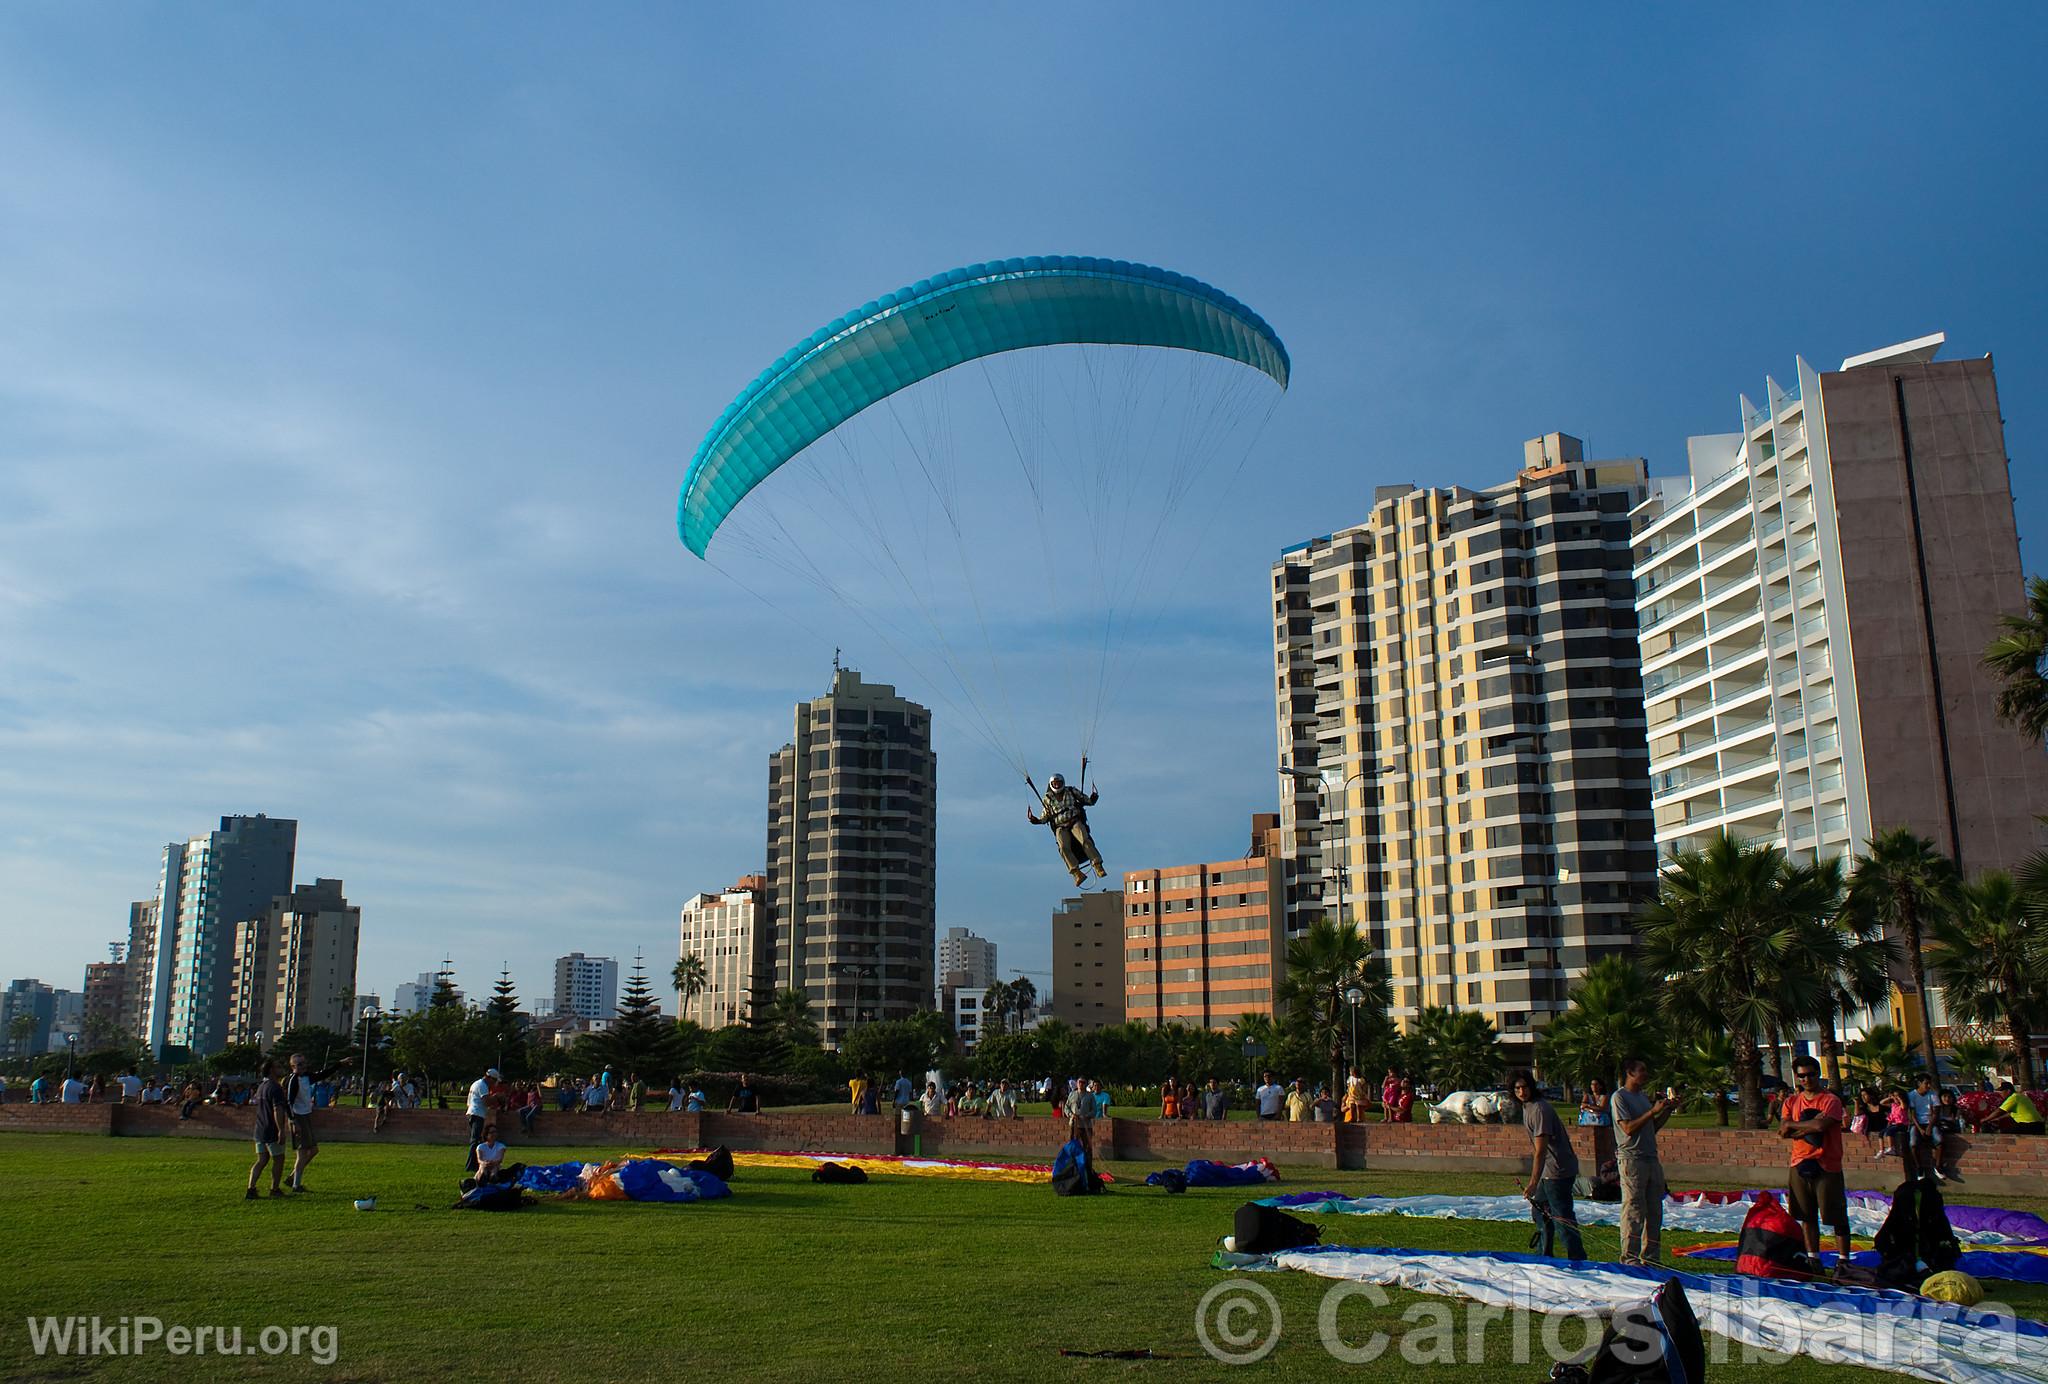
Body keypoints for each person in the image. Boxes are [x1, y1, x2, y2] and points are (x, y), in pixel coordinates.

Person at [1780, 1055, 1851, 1267]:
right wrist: (1807, 1125)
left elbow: (1822, 1127)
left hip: (1827, 1164)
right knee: (1806, 1215)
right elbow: (1783, 1131)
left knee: (1836, 1215)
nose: (1806, 1079)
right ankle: (1813, 1258)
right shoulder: (1791, 1101)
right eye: (1801, 1076)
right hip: (1799, 1162)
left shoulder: (1831, 1101)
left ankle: (1843, 1261)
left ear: (1818, 1074)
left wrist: (1796, 1127)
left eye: (1811, 1074)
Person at [1612, 1058, 1679, 1267]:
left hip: (1651, 1158)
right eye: (1642, 1070)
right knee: (1634, 1210)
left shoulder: (1641, 1097)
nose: (1646, 1074)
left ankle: (1651, 1258)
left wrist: (1666, 1110)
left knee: (1654, 1210)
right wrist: (1652, 1111)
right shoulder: (1619, 1097)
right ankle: (1629, 1257)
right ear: (1630, 1072)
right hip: (1631, 1159)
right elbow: (1628, 1129)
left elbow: (1651, 1128)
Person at [1512, 1070, 1584, 1260]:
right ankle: (1544, 1255)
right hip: (1547, 1172)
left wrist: (1533, 1182)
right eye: (1517, 1088)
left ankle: (1577, 1260)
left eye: (1524, 1087)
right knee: (1539, 1211)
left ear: (1531, 1087)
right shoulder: (1527, 1107)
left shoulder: (1539, 1109)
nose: (1521, 1091)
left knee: (1562, 1218)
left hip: (1557, 1171)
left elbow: (1541, 1150)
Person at [1027, 772, 1107, 887]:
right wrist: (1037, 821)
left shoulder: (1071, 791)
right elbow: (1045, 817)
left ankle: (1097, 865)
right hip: (1060, 826)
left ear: (1063, 783)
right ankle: (1076, 872)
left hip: (1074, 821)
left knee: (1085, 839)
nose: (1057, 786)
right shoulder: (1047, 799)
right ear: (1051, 784)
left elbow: (1087, 801)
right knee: (1063, 847)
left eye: (1059, 783)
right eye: (1054, 784)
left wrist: (1093, 799)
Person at [283, 1053, 336, 1192]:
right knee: (302, 1152)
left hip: (306, 1115)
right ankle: (296, 1184)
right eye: (299, 1064)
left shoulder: (307, 1077)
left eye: (303, 1063)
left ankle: (293, 1177)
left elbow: (323, 1074)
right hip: (298, 1117)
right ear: (293, 1066)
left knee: (313, 1150)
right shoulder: (293, 1080)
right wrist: (293, 1120)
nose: (302, 1066)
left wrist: (340, 1064)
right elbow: (289, 1102)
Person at [246, 1060, 288, 1200]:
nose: (281, 1069)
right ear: (271, 1070)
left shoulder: (261, 1086)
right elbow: (277, 1109)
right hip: (271, 1129)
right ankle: (274, 1189)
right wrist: (281, 1129)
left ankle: (251, 1188)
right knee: (279, 1159)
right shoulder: (275, 1088)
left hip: (259, 1128)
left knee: (262, 1160)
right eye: (278, 1066)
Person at [1907, 1072, 1944, 1180]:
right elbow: (1912, 1114)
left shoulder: (1932, 1095)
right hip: (1917, 1123)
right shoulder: (1912, 1095)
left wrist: (1929, 1127)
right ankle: (1919, 1168)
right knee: (1913, 1143)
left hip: (1930, 1122)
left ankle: (1937, 1166)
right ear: (1919, 1083)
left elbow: (1936, 1112)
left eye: (1929, 1083)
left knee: (1939, 1140)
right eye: (1926, 1083)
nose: (1928, 1086)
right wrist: (1920, 1129)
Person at [466, 1068, 502, 1169]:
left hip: (473, 1112)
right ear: (489, 1078)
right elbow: (487, 1101)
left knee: (476, 1140)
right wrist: (496, 1097)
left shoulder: (476, 1083)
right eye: (494, 1080)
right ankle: (470, 1165)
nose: (494, 1083)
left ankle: (474, 1163)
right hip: (477, 1114)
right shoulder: (483, 1085)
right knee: (475, 1141)